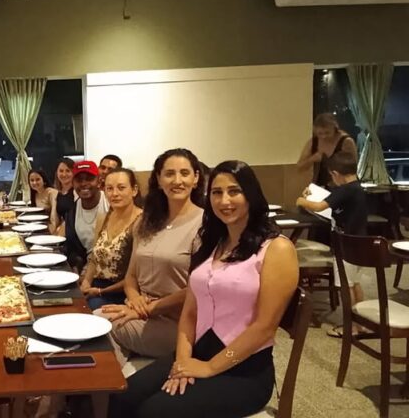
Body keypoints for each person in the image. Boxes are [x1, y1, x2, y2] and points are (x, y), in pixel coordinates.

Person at [109, 160, 299, 418]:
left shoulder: (277, 248)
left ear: (251, 195)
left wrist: (209, 368)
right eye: (217, 193)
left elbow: (264, 327)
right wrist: (183, 361)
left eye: (234, 191)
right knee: (123, 396)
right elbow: (190, 313)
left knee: (153, 412)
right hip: (197, 352)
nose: (224, 201)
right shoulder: (213, 243)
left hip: (244, 371)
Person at [98, 149, 204, 363]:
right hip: (139, 310)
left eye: (184, 173)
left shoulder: (205, 224)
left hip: (179, 322)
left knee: (99, 327)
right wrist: (135, 299)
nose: (177, 181)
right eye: (169, 174)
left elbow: (197, 288)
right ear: (159, 179)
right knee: (96, 324)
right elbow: (131, 277)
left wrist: (148, 308)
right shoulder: (146, 221)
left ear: (195, 178)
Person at [296, 151, 367, 338]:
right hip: (359, 243)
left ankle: (351, 326)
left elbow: (319, 206)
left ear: (335, 174)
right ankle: (362, 322)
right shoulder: (357, 188)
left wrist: (302, 201)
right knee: (354, 283)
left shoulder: (345, 190)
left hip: (346, 246)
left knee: (345, 286)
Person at [80, 168, 142, 310]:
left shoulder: (141, 221)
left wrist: (101, 291)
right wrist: (86, 283)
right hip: (96, 286)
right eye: (109, 188)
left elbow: (136, 275)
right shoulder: (103, 218)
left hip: (122, 291)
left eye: (121, 188)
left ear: (134, 190)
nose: (114, 194)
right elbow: (94, 258)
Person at [64, 161, 110, 272]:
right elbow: (73, 250)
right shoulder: (72, 212)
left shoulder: (110, 204)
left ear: (99, 181)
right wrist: (76, 268)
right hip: (85, 269)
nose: (84, 183)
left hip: (109, 269)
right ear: (73, 183)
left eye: (89, 179)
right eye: (79, 180)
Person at [296, 113, 357, 188]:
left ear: (335, 129)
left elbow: (352, 168)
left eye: (327, 133)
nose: (323, 136)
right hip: (319, 186)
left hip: (342, 186)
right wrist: (312, 159)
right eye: (320, 133)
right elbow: (299, 167)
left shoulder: (346, 141)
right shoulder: (314, 142)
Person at [50, 158, 77, 234]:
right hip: (59, 230)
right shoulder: (56, 192)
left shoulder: (77, 192)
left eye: (68, 171)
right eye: (61, 171)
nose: (64, 174)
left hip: (72, 231)